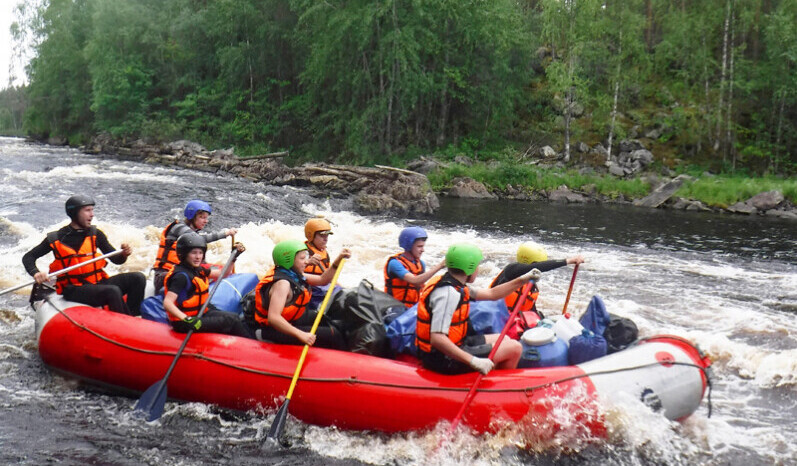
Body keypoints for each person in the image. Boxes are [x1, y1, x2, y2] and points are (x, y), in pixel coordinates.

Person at [416, 243, 541, 376]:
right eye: (476, 266)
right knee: (515, 348)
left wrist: (523, 279)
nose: (477, 270)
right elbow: (437, 339)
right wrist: (473, 360)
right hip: (441, 358)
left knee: (503, 339)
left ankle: (491, 375)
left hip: (456, 344)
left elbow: (492, 294)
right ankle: (498, 389)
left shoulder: (454, 284)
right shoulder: (448, 293)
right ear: (468, 268)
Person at [22, 195, 146, 316]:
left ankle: (134, 317)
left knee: (138, 278)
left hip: (97, 283)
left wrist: (124, 254)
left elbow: (116, 260)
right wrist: (36, 273)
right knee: (112, 291)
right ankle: (123, 324)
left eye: (92, 210)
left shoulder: (96, 234)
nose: (92, 214)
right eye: (87, 210)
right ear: (74, 213)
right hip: (73, 289)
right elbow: (28, 257)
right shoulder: (56, 238)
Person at [248, 239, 350, 349]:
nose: (306, 261)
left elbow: (322, 279)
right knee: (333, 334)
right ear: (289, 260)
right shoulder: (282, 284)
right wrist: (301, 335)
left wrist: (338, 260)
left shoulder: (294, 274)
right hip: (271, 330)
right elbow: (273, 318)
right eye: (302, 258)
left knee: (325, 319)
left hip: (290, 320)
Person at [162, 232, 251, 337]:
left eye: (200, 253)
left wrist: (234, 257)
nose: (198, 257)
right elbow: (168, 303)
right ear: (184, 254)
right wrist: (187, 319)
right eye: (193, 253)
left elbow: (224, 274)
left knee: (235, 317)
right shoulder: (181, 276)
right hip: (185, 323)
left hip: (201, 312)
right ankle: (253, 349)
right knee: (232, 321)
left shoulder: (197, 270)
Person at [152, 199, 237, 292]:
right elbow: (198, 239)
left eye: (206, 218)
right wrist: (226, 233)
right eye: (202, 217)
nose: (206, 221)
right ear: (192, 217)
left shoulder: (191, 232)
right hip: (165, 276)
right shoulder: (179, 228)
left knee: (219, 270)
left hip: (182, 271)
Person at [490, 241, 584, 320]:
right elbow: (536, 267)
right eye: (538, 264)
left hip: (512, 322)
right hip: (493, 318)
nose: (539, 270)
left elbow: (531, 312)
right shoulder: (511, 270)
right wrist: (567, 261)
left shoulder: (531, 286)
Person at [383, 226, 445, 308]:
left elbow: (421, 286)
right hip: (394, 307)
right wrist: (440, 266)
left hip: (412, 307)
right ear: (409, 246)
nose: (423, 250)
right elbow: (415, 281)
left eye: (423, 246)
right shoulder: (395, 263)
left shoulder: (420, 264)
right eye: (419, 246)